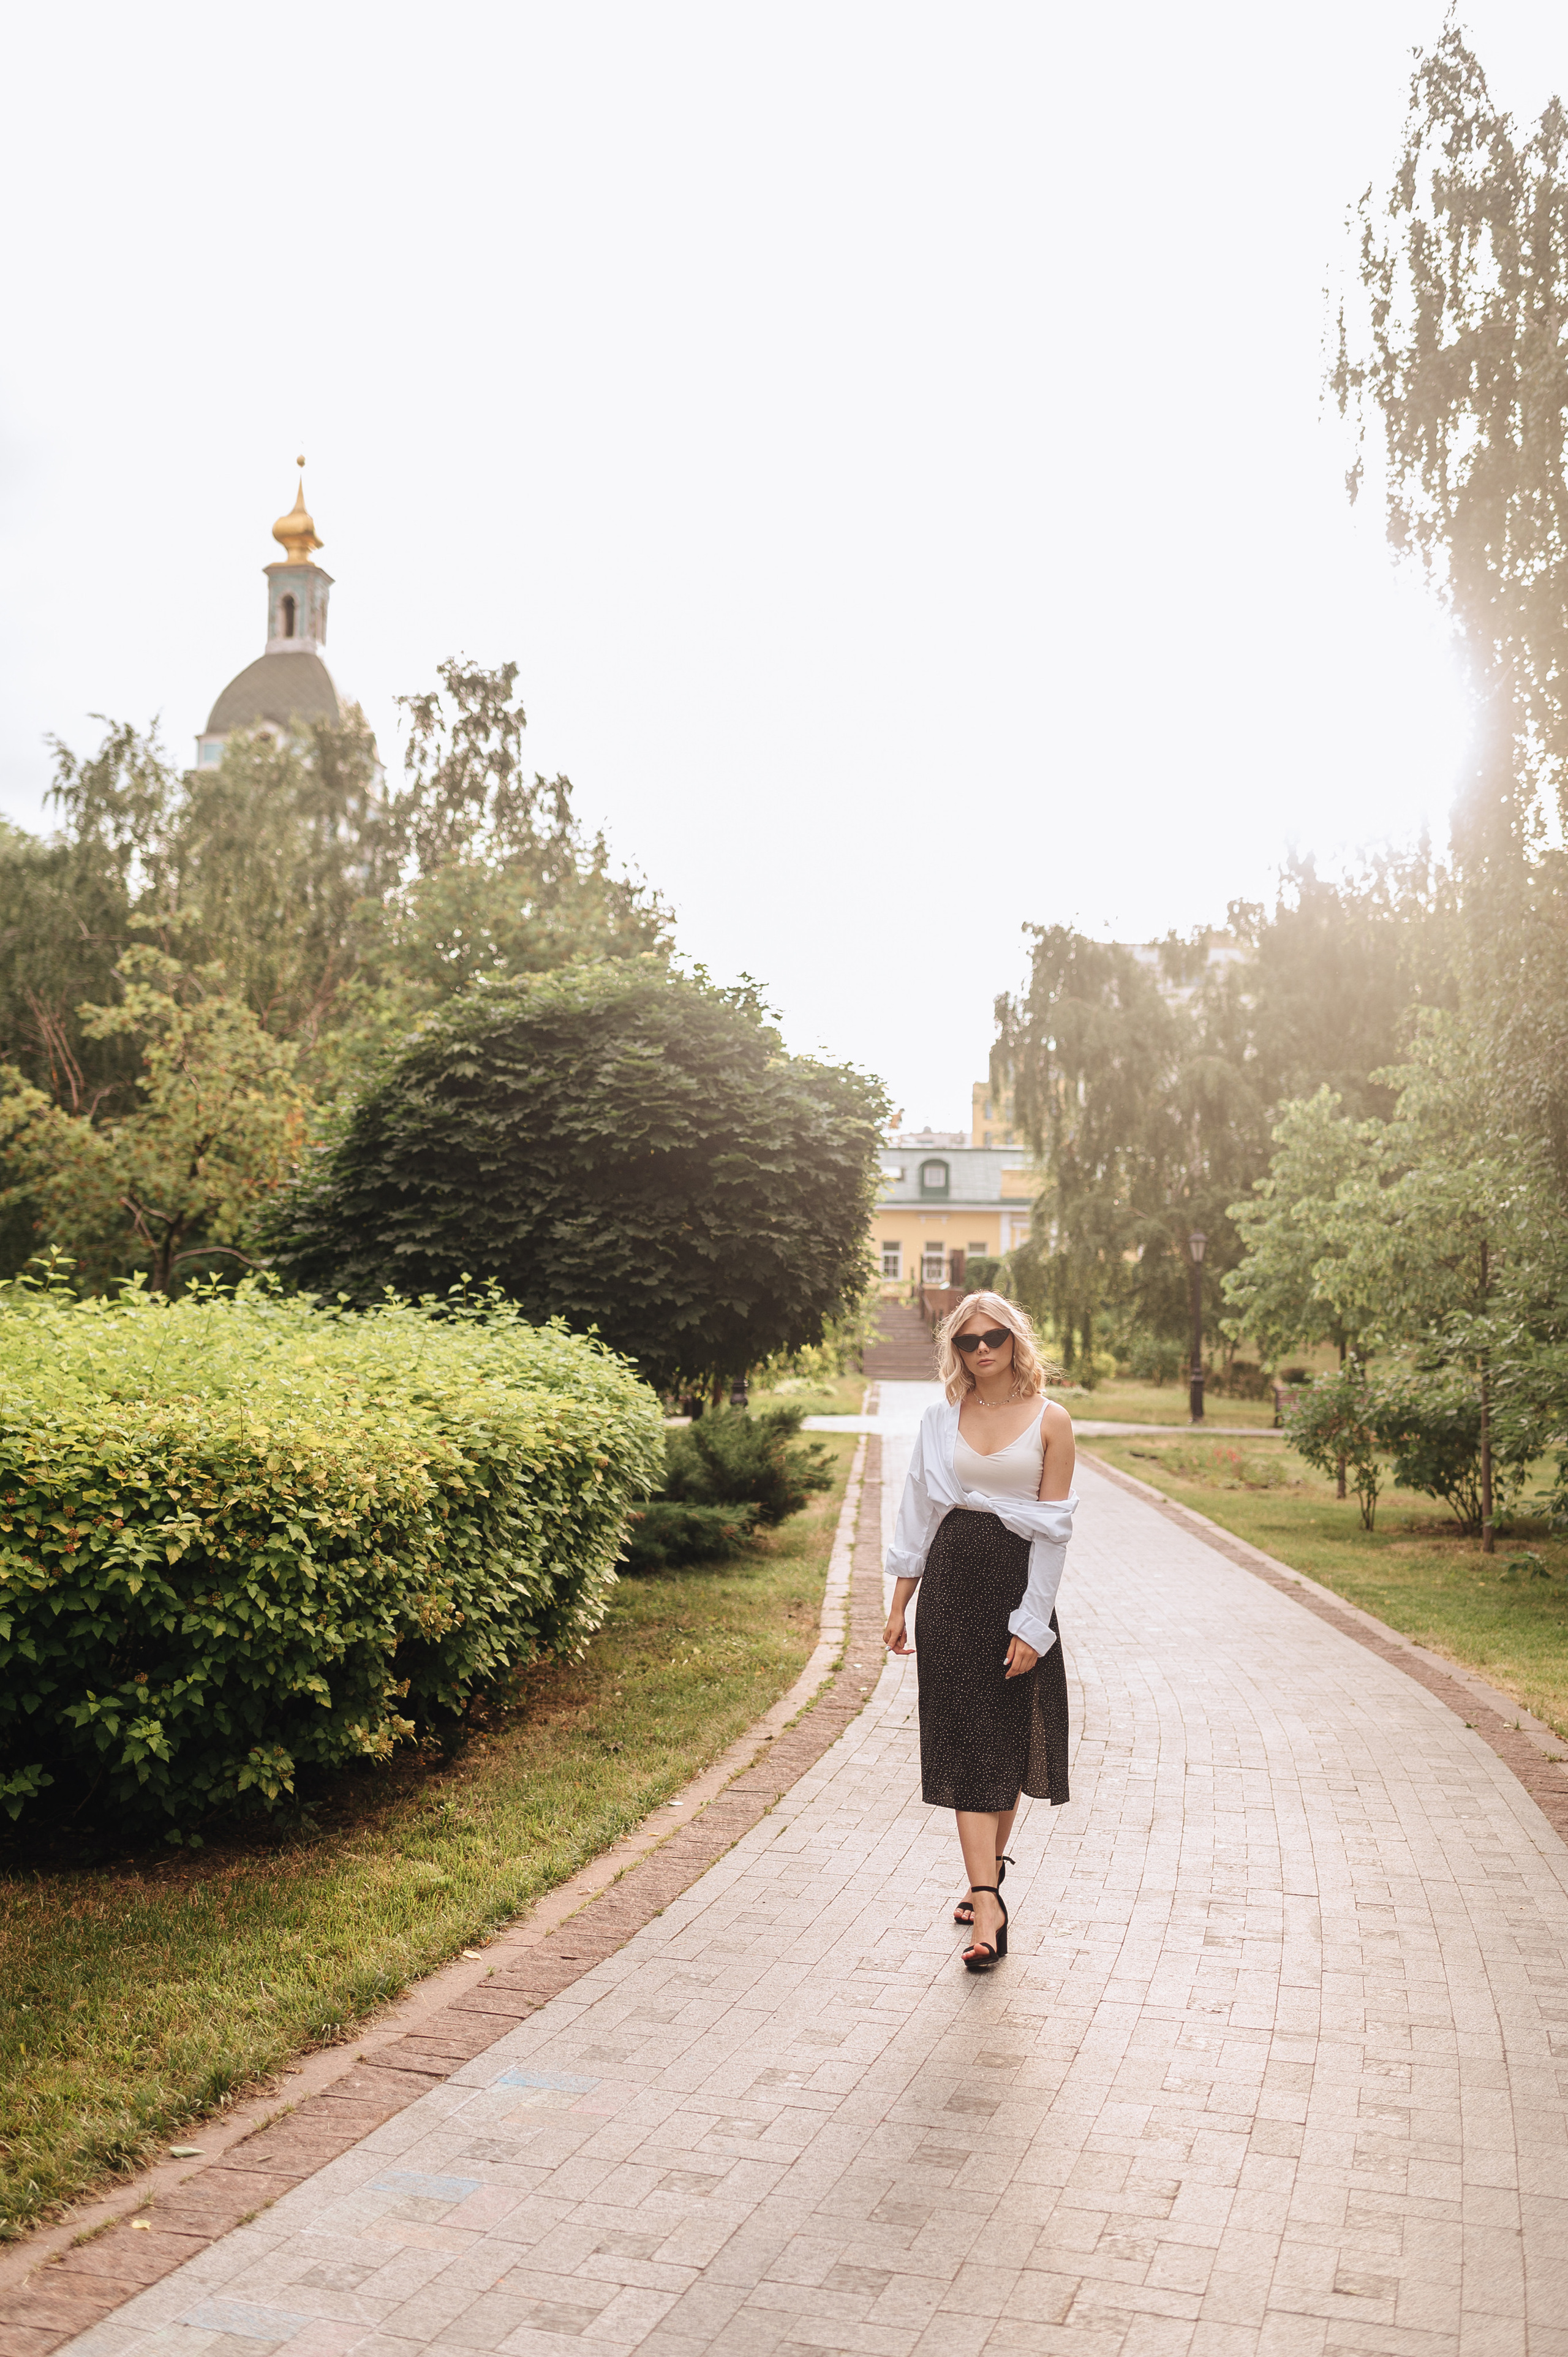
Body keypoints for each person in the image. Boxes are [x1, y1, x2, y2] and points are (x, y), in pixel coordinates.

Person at [883, 1291, 1076, 1970]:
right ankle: (987, 1899)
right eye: (968, 1341)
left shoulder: (1052, 1421)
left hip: (1015, 1588)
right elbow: (918, 1511)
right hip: (950, 1589)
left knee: (1003, 1738)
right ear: (956, 1352)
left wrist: (1031, 1623)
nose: (983, 1349)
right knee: (966, 1742)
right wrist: (899, 1600)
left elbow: (1053, 1536)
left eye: (994, 1336)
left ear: (1015, 1340)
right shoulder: (940, 1422)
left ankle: (982, 1877)